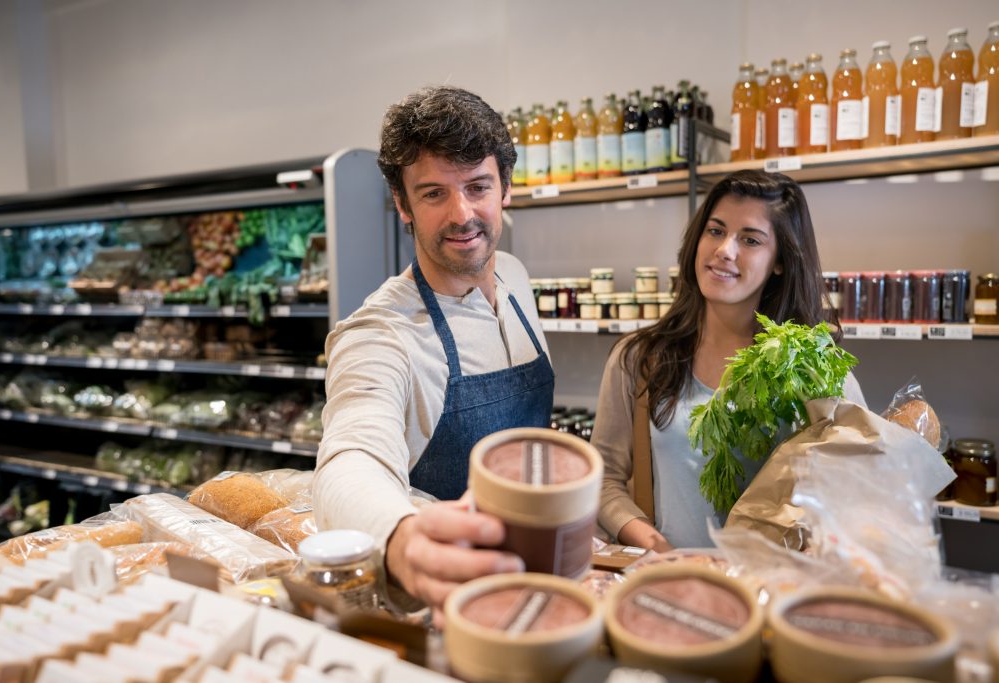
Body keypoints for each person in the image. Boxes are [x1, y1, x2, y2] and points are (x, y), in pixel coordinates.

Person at [313, 86, 553, 616]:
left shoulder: (515, 277)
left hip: (534, 582)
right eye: (433, 194)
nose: (461, 214)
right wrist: (401, 539)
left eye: (477, 186)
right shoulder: (380, 332)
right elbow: (349, 460)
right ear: (402, 204)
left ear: (505, 188)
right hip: (441, 607)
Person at [594, 169, 865, 551]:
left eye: (750, 239)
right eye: (716, 231)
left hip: (772, 590)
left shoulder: (814, 370)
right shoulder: (638, 359)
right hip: (672, 584)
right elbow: (605, 477)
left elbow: (857, 489)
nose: (725, 250)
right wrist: (657, 547)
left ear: (780, 261)